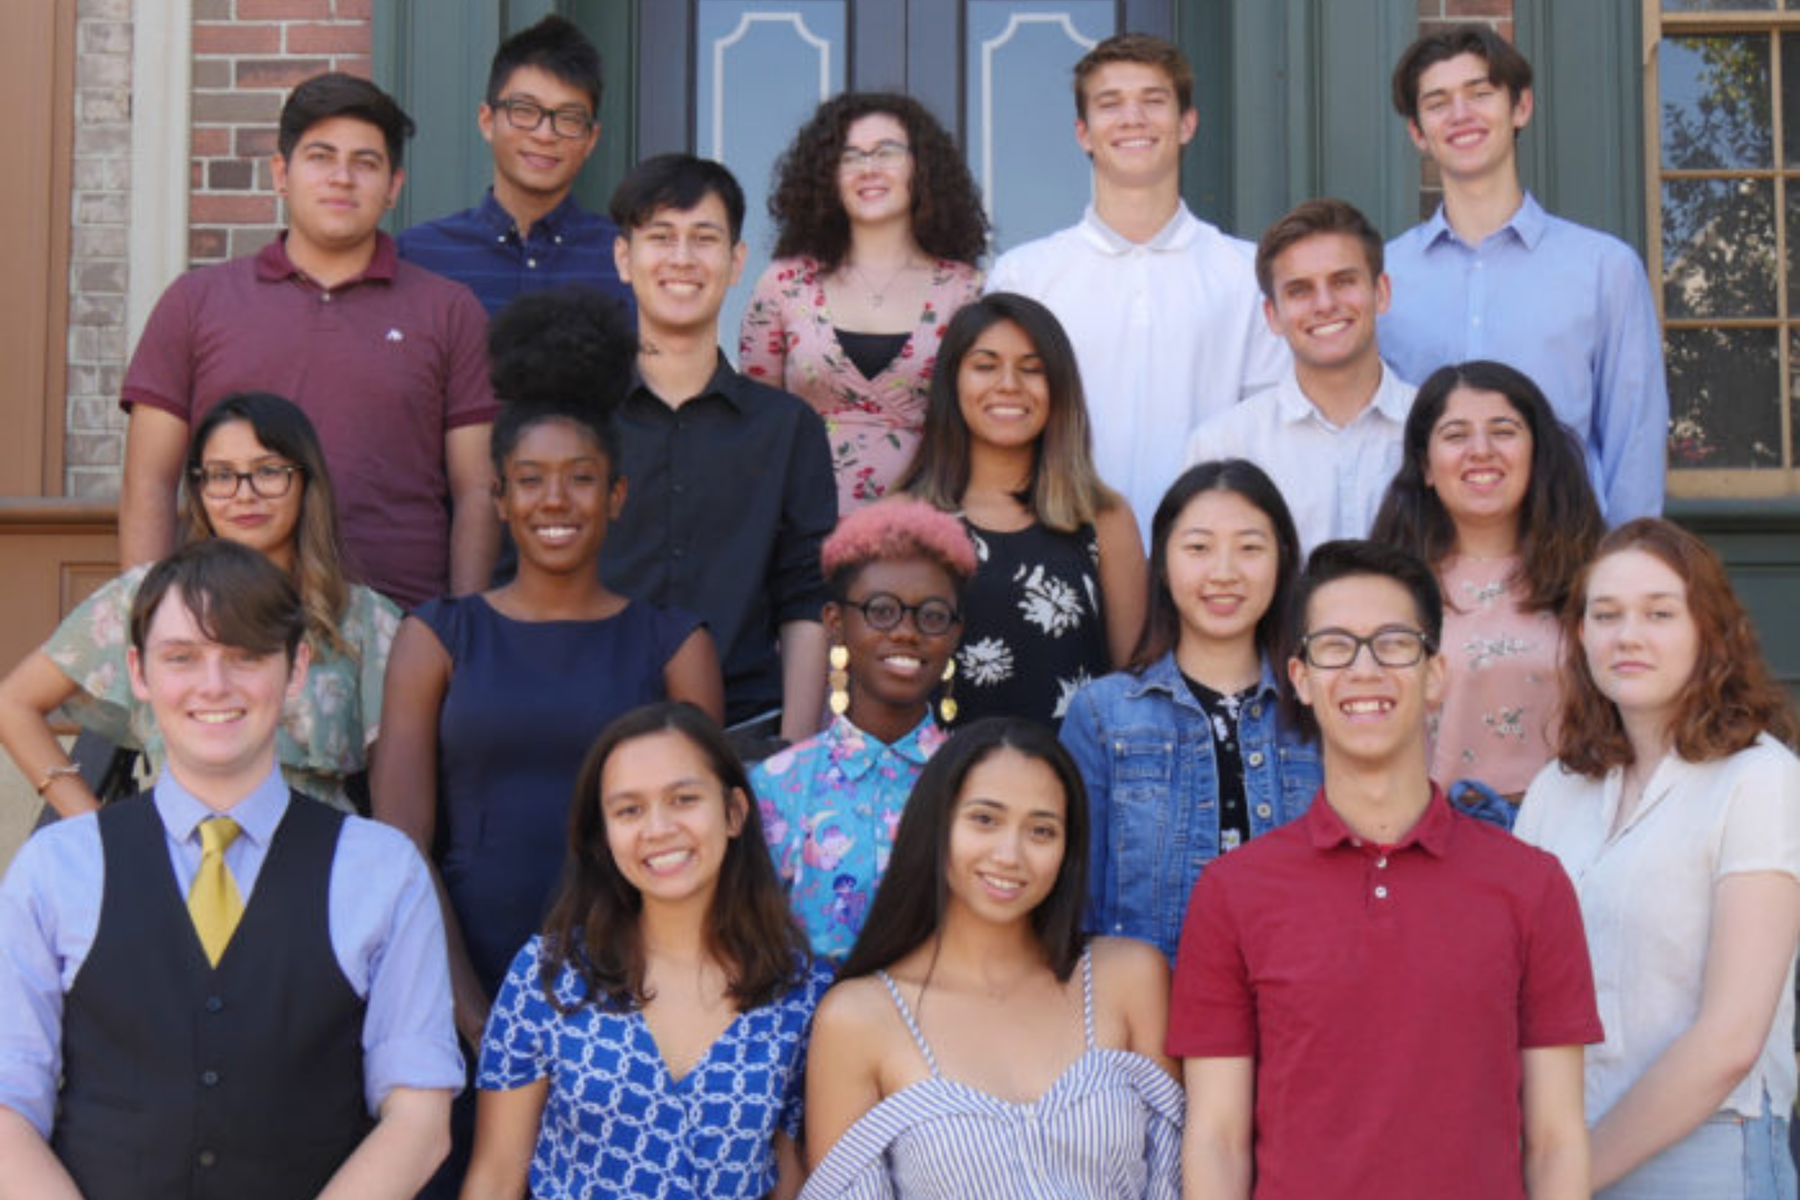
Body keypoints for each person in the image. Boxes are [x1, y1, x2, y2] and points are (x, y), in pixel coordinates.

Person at [372, 288, 721, 1197]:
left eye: (578, 478)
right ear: (499, 495)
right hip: (459, 973)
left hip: (629, 996)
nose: (554, 500)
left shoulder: (674, 645)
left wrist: (641, 1023)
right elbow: (400, 847)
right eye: (530, 479)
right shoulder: (436, 638)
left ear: (616, 495)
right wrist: (472, 1012)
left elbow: (703, 848)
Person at [0, 539, 462, 1200]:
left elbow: (419, 1121)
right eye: (182, 657)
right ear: (138, 672)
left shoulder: (382, 871)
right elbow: (7, 1108)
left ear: (295, 669)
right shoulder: (56, 867)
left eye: (245, 656)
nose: (213, 685)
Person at [1172, 539, 1601, 1200]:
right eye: (1336, 646)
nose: (1365, 669)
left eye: (1394, 643)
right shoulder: (1233, 893)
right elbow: (1217, 1140)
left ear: (1435, 674)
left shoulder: (1531, 885)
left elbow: (1556, 1140)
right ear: (1301, 677)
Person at [118, 72, 499, 608]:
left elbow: (477, 491)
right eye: (320, 157)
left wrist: (463, 629)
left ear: (393, 186)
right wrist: (152, 618)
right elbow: (149, 483)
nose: (341, 178)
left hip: (401, 629)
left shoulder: (448, 311)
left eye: (365, 163)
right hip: (228, 624)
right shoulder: (195, 302)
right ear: (281, 173)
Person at [1514, 519, 1800, 1198]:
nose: (1628, 636)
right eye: (1605, 615)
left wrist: (1569, 1176)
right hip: (1558, 1140)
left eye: (1659, 613)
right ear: (1579, 635)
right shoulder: (1559, 788)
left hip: (1707, 1150)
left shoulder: (1760, 780)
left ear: (1710, 629)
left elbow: (1731, 1037)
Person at [458, 701, 833, 1200]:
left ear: (734, 813)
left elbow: (788, 1181)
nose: (657, 829)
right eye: (629, 810)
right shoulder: (547, 975)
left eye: (683, 799)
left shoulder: (800, 989)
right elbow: (496, 1176)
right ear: (603, 836)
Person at [800, 717, 1184, 1199]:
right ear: (936, 825)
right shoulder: (857, 1018)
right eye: (985, 819)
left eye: (1041, 831)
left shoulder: (1128, 977)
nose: (1010, 854)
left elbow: (1182, 1177)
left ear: (1067, 850)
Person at [0, 392, 399, 815]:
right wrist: (97, 832)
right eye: (221, 475)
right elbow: (13, 704)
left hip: (317, 861)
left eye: (267, 472)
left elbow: (400, 783)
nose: (244, 495)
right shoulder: (146, 598)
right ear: (198, 487)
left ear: (305, 481)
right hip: (172, 861)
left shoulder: (362, 617)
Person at [986, 32, 1286, 534]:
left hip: (1207, 559)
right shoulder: (1025, 276)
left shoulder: (1248, 273)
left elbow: (1269, 433)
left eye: (1153, 101)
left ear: (1187, 123)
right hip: (1060, 546)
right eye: (1110, 104)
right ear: (1083, 133)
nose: (1133, 119)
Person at [1382, 24, 1668, 525]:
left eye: (1481, 93)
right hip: (1424, 563)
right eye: (1438, 102)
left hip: (1566, 562)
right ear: (1417, 133)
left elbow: (1634, 442)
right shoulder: (1384, 279)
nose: (1461, 115)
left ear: (1521, 107)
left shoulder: (1604, 269)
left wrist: (1623, 568)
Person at [602, 153, 837, 749]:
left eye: (703, 239)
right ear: (624, 258)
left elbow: (806, 600)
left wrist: (793, 754)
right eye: (661, 237)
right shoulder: (577, 421)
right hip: (592, 737)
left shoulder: (788, 429)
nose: (682, 259)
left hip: (747, 741)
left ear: (735, 264)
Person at [1060, 461, 1319, 960]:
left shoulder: (1318, 705)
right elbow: (1077, 904)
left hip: (1297, 1015)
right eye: (1198, 548)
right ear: (1161, 563)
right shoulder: (1103, 714)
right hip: (1148, 1020)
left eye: (1250, 548)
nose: (1224, 573)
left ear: (1284, 561)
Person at [900, 292, 1146, 729]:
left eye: (1032, 369)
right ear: (952, 380)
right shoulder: (902, 520)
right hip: (940, 785)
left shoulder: (1104, 518)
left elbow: (1134, 688)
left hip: (1073, 785)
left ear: (1059, 388)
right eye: (985, 366)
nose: (1009, 384)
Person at [753, 497, 978, 961]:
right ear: (835, 623)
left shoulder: (978, 781)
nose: (906, 632)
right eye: (881, 610)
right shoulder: (777, 784)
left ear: (955, 633)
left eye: (932, 615)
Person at [739, 92, 987, 511]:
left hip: (929, 531)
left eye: (886, 152)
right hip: (800, 529)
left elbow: (980, 428)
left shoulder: (966, 291)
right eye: (849, 156)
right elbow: (753, 421)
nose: (868, 169)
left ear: (922, 166)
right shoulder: (783, 284)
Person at [1372, 360, 1604, 804]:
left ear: (1536, 453)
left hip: (1572, 832)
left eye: (1503, 431)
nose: (1481, 450)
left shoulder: (1592, 577)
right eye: (1456, 435)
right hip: (1437, 838)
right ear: (1425, 464)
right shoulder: (1390, 589)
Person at [1185, 199, 1415, 557]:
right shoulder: (1225, 447)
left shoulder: (1434, 430)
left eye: (1343, 281)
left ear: (1381, 292)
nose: (1324, 304)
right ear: (1273, 315)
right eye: (1300, 290)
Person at [398, 16, 631, 319]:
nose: (545, 135)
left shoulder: (625, 259)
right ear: (487, 121)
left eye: (569, 118)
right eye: (524, 110)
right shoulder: (418, 255)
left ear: (591, 139)